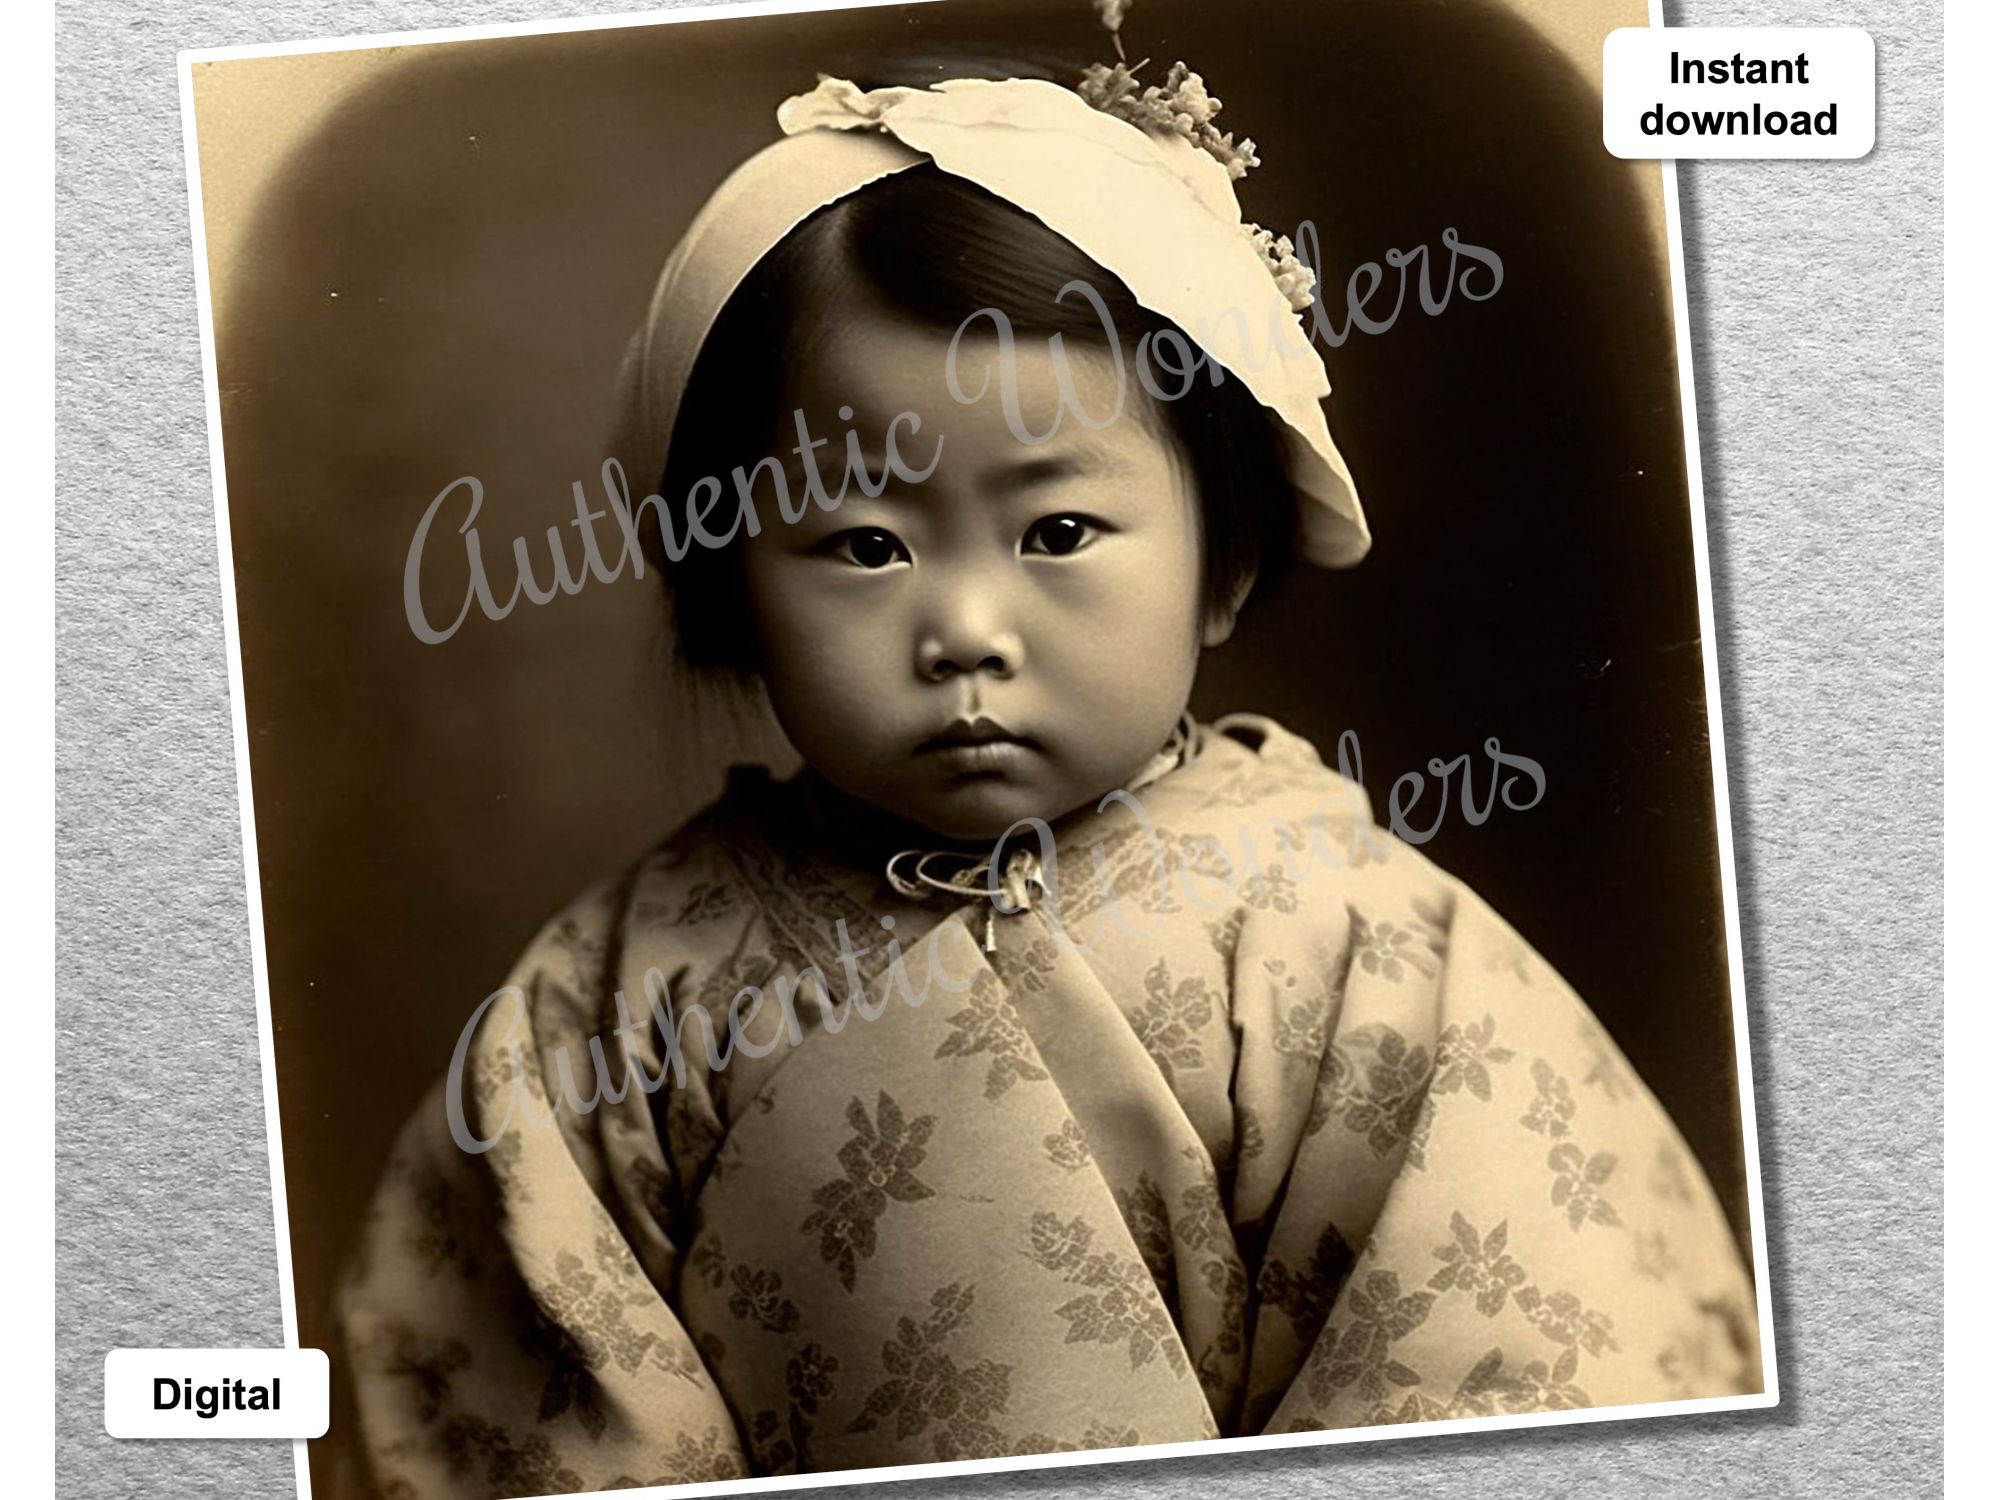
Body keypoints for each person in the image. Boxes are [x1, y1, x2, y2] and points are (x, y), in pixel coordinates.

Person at [333, 53, 1760, 1500]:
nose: (963, 630)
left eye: (1059, 531)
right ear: (733, 592)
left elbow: (1535, 1346)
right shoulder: (627, 1000)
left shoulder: (1357, 946)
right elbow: (509, 1411)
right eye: (865, 545)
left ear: (1227, 559)